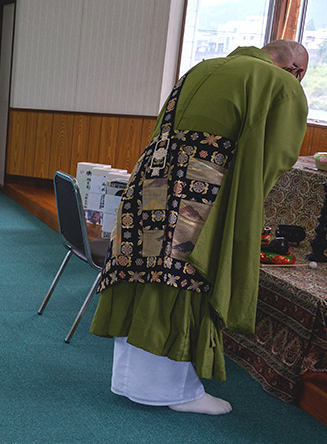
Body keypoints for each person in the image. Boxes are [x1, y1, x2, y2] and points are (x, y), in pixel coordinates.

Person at [90, 40, 310, 415]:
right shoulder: (280, 84)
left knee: (144, 271)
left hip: (152, 181)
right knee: (179, 279)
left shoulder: (203, 68)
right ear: (296, 70)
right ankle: (175, 392)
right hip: (198, 194)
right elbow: (274, 158)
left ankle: (129, 380)